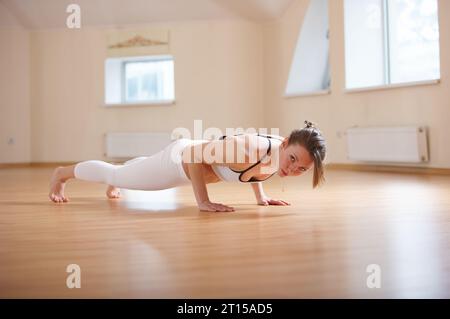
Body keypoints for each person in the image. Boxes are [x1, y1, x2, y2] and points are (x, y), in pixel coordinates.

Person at [49, 121, 326, 212]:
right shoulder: (245, 149)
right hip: (178, 163)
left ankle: (131, 170)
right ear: (286, 142)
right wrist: (203, 201)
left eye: (301, 169)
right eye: (292, 160)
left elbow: (259, 169)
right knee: (115, 174)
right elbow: (194, 156)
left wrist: (261, 197)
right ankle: (62, 174)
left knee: (128, 174)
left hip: (192, 157)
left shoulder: (278, 151)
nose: (292, 170)